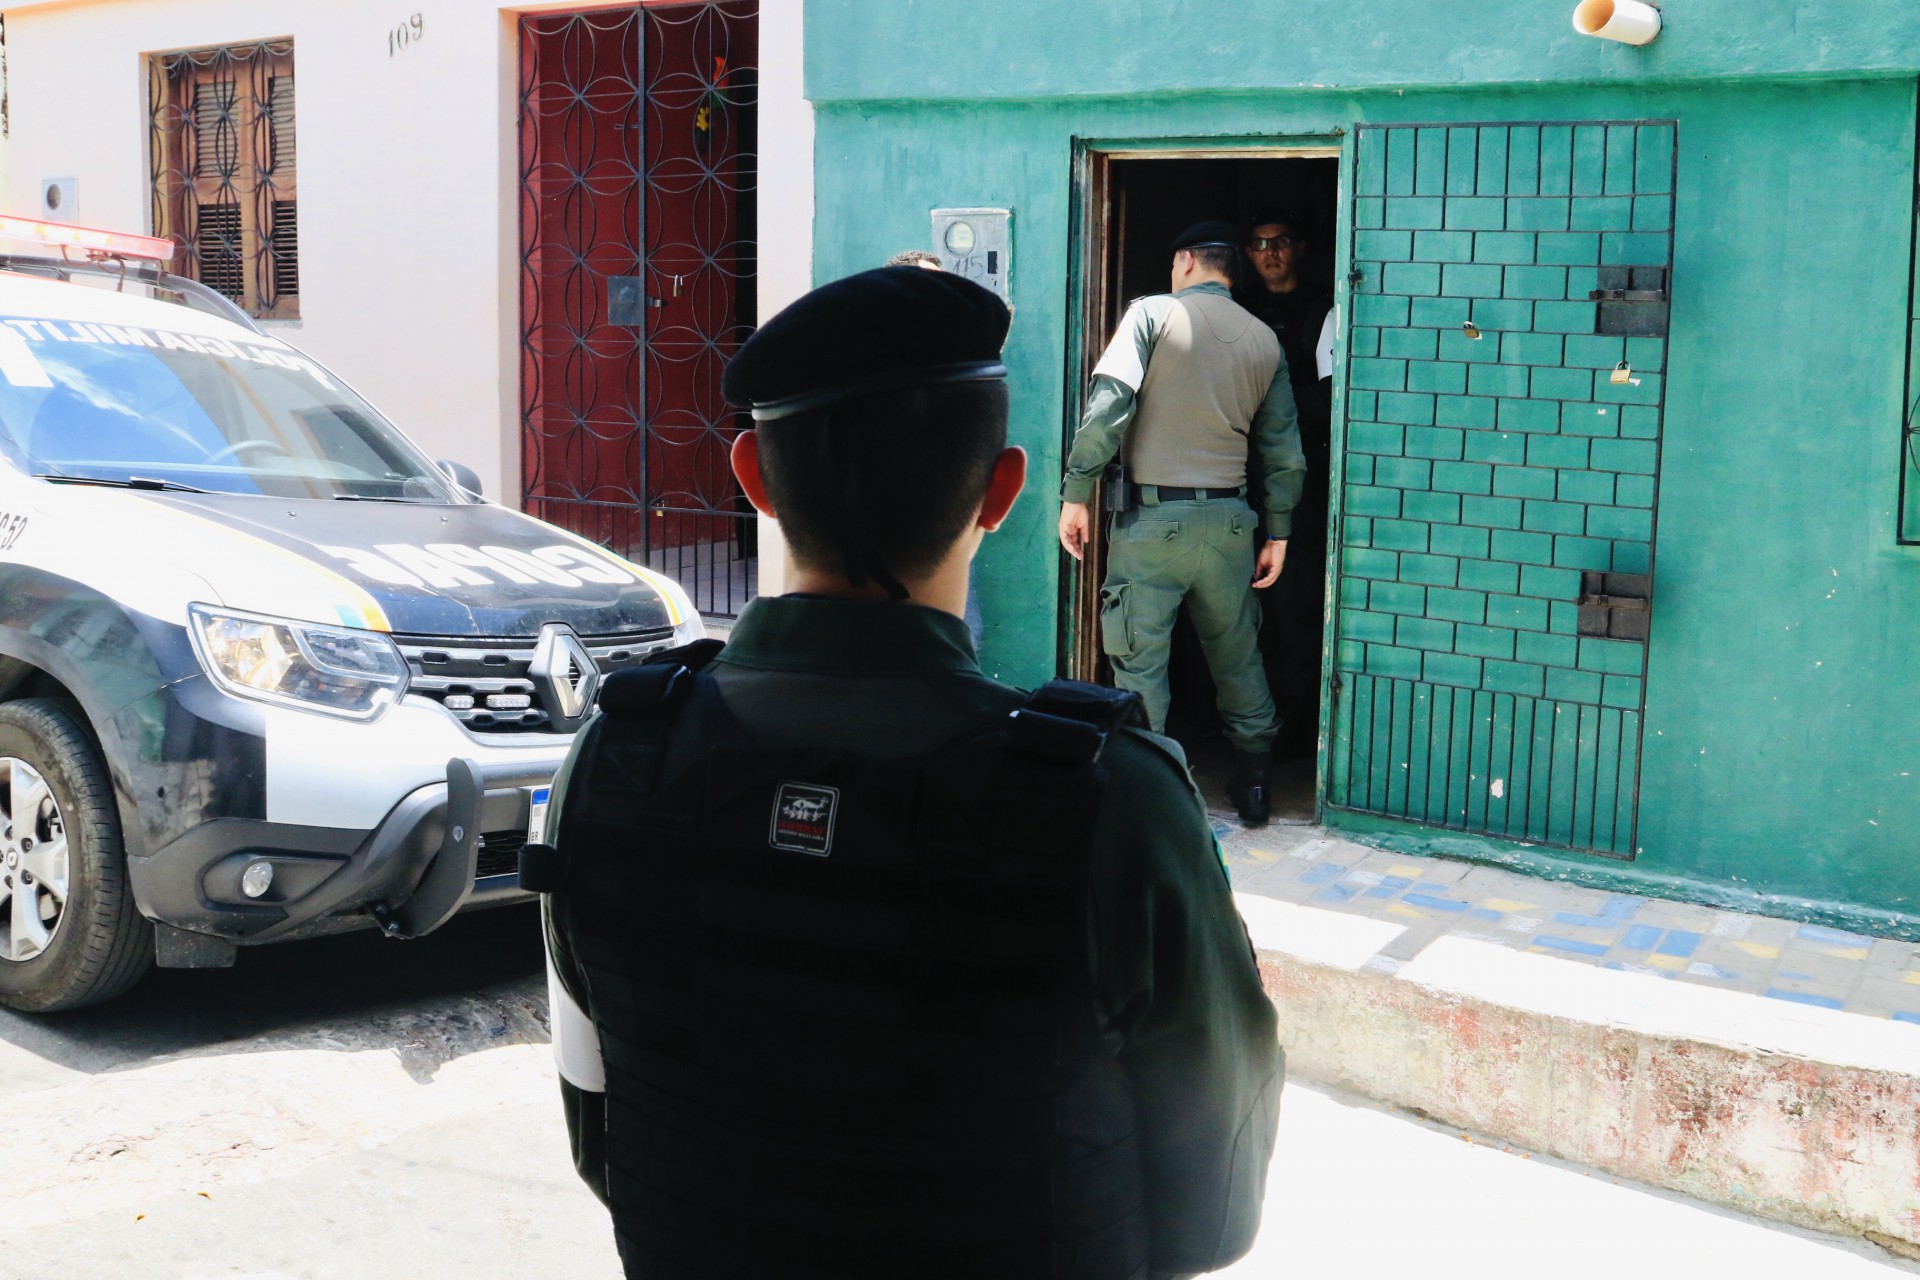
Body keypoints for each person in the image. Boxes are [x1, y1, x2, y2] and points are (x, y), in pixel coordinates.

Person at [529, 266, 1282, 1280]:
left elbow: (600, 1136)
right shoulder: (1114, 803)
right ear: (1002, 490)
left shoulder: (613, 760)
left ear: (752, 476)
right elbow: (1211, 1208)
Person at [1059, 220, 1306, 826]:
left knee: (1141, 660)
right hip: (1230, 524)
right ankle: (1254, 785)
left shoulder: (1148, 316)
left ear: (1187, 261)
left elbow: (1108, 408)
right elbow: (1284, 451)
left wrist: (1076, 491)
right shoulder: (1263, 340)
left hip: (1151, 522)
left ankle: (1149, 795)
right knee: (1238, 654)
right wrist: (1277, 533)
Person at [1240, 214, 1335, 762]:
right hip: (1235, 478)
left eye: (1279, 242)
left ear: (1299, 247)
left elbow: (1328, 402)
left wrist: (1268, 407)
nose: (1269, 253)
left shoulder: (1324, 310)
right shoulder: (1236, 312)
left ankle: (1295, 727)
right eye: (1258, 244)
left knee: (1295, 602)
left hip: (1300, 480)